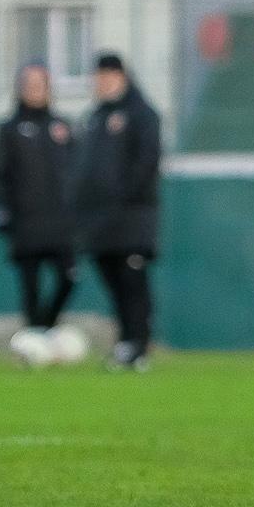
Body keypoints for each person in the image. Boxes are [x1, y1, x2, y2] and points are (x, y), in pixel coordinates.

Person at [74, 51, 162, 370]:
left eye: (108, 77)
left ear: (122, 77)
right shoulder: (95, 117)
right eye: (98, 77)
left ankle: (139, 344)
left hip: (132, 217)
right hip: (100, 220)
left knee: (132, 280)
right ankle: (125, 341)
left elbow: (147, 162)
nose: (102, 83)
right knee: (112, 281)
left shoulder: (142, 114)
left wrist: (124, 197)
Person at [0, 63, 79, 337]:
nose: (35, 90)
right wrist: (0, 209)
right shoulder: (9, 130)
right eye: (29, 84)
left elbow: (78, 171)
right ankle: (34, 335)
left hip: (60, 223)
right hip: (26, 221)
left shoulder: (62, 128)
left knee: (69, 277)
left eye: (40, 84)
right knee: (30, 284)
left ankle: (47, 326)